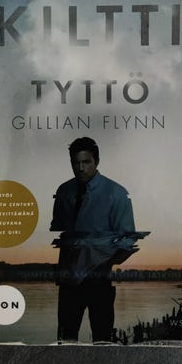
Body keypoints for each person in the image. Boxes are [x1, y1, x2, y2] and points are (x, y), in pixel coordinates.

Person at [50, 137, 137, 343]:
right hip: (68, 281)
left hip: (99, 280)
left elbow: (127, 239)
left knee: (102, 340)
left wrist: (104, 260)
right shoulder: (63, 191)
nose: (81, 168)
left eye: (86, 162)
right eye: (76, 163)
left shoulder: (117, 194)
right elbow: (60, 231)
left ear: (96, 162)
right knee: (65, 341)